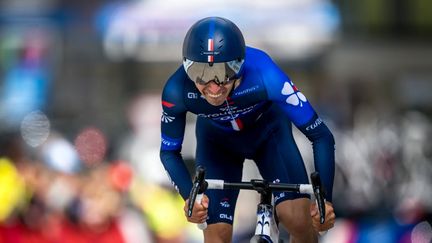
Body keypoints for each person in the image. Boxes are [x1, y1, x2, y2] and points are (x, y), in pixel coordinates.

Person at [159, 16, 336, 243]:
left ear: (240, 66)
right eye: (200, 74)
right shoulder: (176, 90)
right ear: (186, 66)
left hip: (269, 135)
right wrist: (189, 198)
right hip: (218, 145)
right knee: (216, 236)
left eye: (224, 74)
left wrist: (325, 202)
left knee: (298, 221)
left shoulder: (265, 74)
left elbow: (321, 136)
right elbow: (168, 152)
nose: (213, 87)